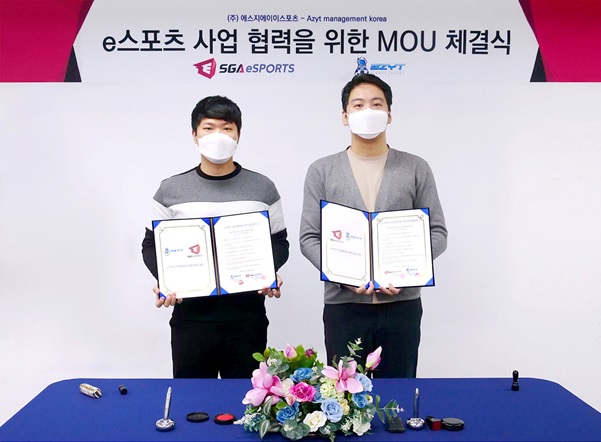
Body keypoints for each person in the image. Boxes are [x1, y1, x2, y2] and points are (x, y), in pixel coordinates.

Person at [299, 74, 447, 378]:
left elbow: (438, 233)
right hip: (344, 306)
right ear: (344, 116)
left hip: (401, 306)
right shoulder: (322, 170)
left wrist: (407, 273)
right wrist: (343, 277)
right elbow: (309, 237)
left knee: (397, 391)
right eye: (358, 105)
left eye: (376, 104)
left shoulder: (415, 167)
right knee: (343, 394)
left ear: (389, 114)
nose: (368, 111)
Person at [142, 95, 289, 378]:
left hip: (247, 317)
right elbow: (151, 245)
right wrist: (167, 280)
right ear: (194, 135)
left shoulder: (263, 187)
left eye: (227, 128)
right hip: (191, 319)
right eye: (209, 128)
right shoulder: (170, 190)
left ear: (238, 135)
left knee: (246, 399)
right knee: (193, 400)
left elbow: (279, 242)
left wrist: (269, 271)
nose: (218, 136)